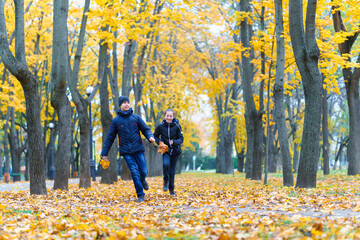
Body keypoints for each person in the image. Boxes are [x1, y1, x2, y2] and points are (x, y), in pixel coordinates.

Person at [101, 96, 155, 202]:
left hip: (138, 149)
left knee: (143, 171)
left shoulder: (136, 118)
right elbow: (109, 138)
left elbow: (145, 129)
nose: (126, 104)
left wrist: (150, 136)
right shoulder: (116, 121)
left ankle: (142, 180)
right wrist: (104, 153)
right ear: (120, 105)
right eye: (124, 103)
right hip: (126, 151)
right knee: (134, 172)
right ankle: (140, 195)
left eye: (128, 102)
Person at [154, 109, 184, 196]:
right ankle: (166, 180)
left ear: (173, 117)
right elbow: (155, 136)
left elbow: (181, 139)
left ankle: (171, 190)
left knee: (172, 171)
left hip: (175, 151)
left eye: (171, 116)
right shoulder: (160, 126)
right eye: (167, 116)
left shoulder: (177, 126)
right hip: (165, 150)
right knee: (166, 165)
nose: (169, 117)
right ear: (165, 116)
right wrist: (160, 142)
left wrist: (174, 142)